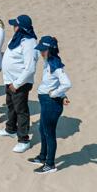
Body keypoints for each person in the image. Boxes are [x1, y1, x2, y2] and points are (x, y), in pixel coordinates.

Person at [0, 14, 39, 153]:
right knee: (11, 106)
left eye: (15, 25)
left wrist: (17, 84)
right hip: (10, 81)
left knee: (21, 110)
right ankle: (11, 129)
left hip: (20, 83)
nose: (13, 27)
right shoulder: (17, 38)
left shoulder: (30, 43)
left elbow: (30, 68)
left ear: (21, 27)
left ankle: (24, 140)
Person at [30, 35, 72, 175]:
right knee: (42, 129)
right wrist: (63, 95)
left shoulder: (55, 65)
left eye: (44, 50)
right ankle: (43, 156)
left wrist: (56, 94)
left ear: (51, 50)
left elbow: (66, 83)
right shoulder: (49, 61)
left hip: (51, 103)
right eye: (40, 49)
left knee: (49, 133)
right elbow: (56, 83)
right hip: (47, 102)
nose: (41, 52)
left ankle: (50, 164)